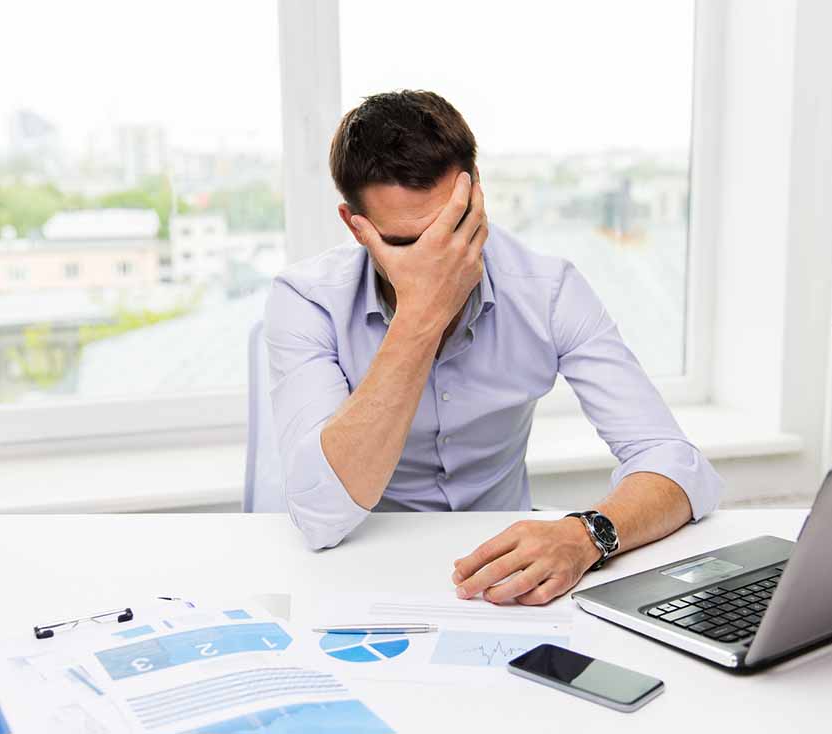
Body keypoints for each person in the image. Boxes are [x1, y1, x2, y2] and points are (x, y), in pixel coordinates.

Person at [265, 90, 723, 606]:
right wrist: (420, 316)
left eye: (453, 229)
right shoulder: (306, 300)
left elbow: (681, 467)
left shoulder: (548, 290)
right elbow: (320, 515)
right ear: (356, 226)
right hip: (362, 573)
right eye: (406, 245)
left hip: (508, 581)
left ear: (476, 194)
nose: (437, 260)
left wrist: (586, 535)